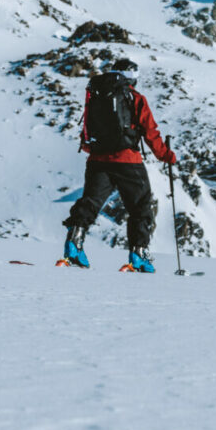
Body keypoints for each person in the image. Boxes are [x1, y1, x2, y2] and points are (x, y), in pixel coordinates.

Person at [60, 57, 177, 272]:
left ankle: (74, 244)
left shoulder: (96, 96)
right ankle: (139, 255)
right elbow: (150, 132)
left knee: (90, 202)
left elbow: (86, 132)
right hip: (128, 161)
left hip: (97, 159)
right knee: (140, 207)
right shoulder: (134, 98)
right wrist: (166, 156)